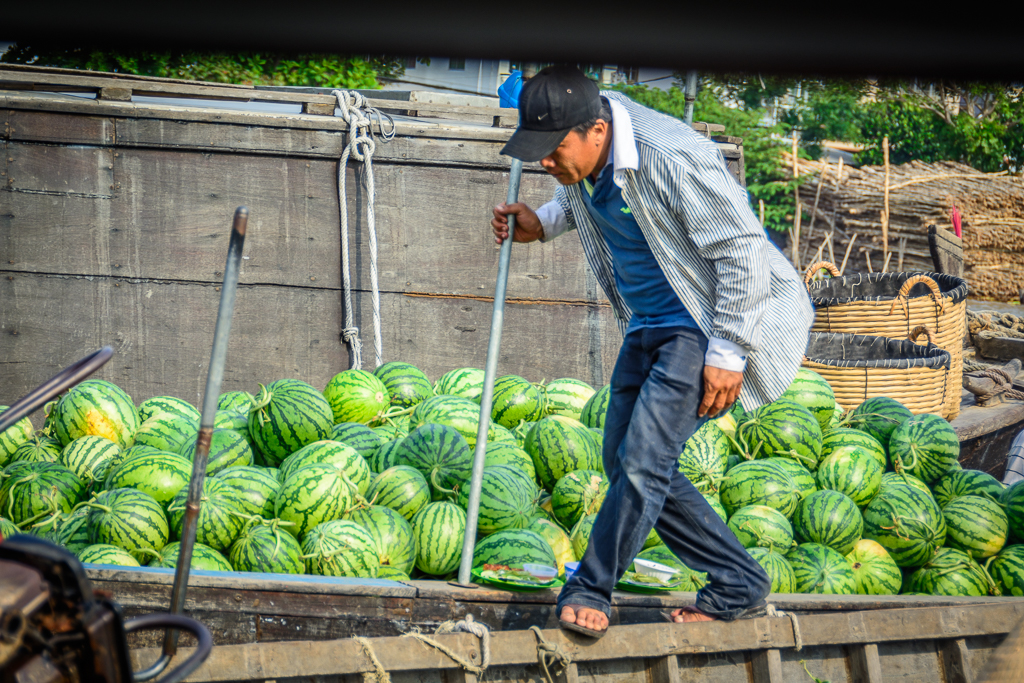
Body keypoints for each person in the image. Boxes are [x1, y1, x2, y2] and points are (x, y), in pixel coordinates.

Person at [490, 65, 814, 638]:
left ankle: (591, 585)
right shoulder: (593, 152)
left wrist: (730, 351)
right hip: (649, 323)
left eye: (554, 149)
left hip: (705, 322)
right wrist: (540, 222)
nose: (545, 163)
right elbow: (588, 195)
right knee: (626, 461)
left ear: (594, 130)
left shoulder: (671, 155)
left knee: (642, 463)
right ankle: (738, 580)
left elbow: (743, 250)